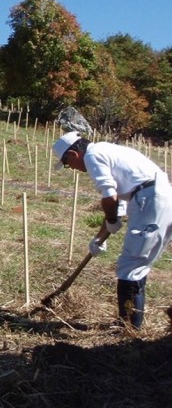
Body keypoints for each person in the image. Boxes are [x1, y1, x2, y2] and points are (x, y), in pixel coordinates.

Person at [52, 131, 172, 329]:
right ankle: (131, 323)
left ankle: (129, 327)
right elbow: (118, 204)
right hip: (158, 195)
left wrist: (111, 219)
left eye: (67, 163)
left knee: (130, 265)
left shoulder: (92, 156)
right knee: (137, 263)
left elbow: (109, 197)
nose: (71, 168)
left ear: (73, 154)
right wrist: (100, 238)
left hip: (150, 200)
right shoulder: (106, 149)